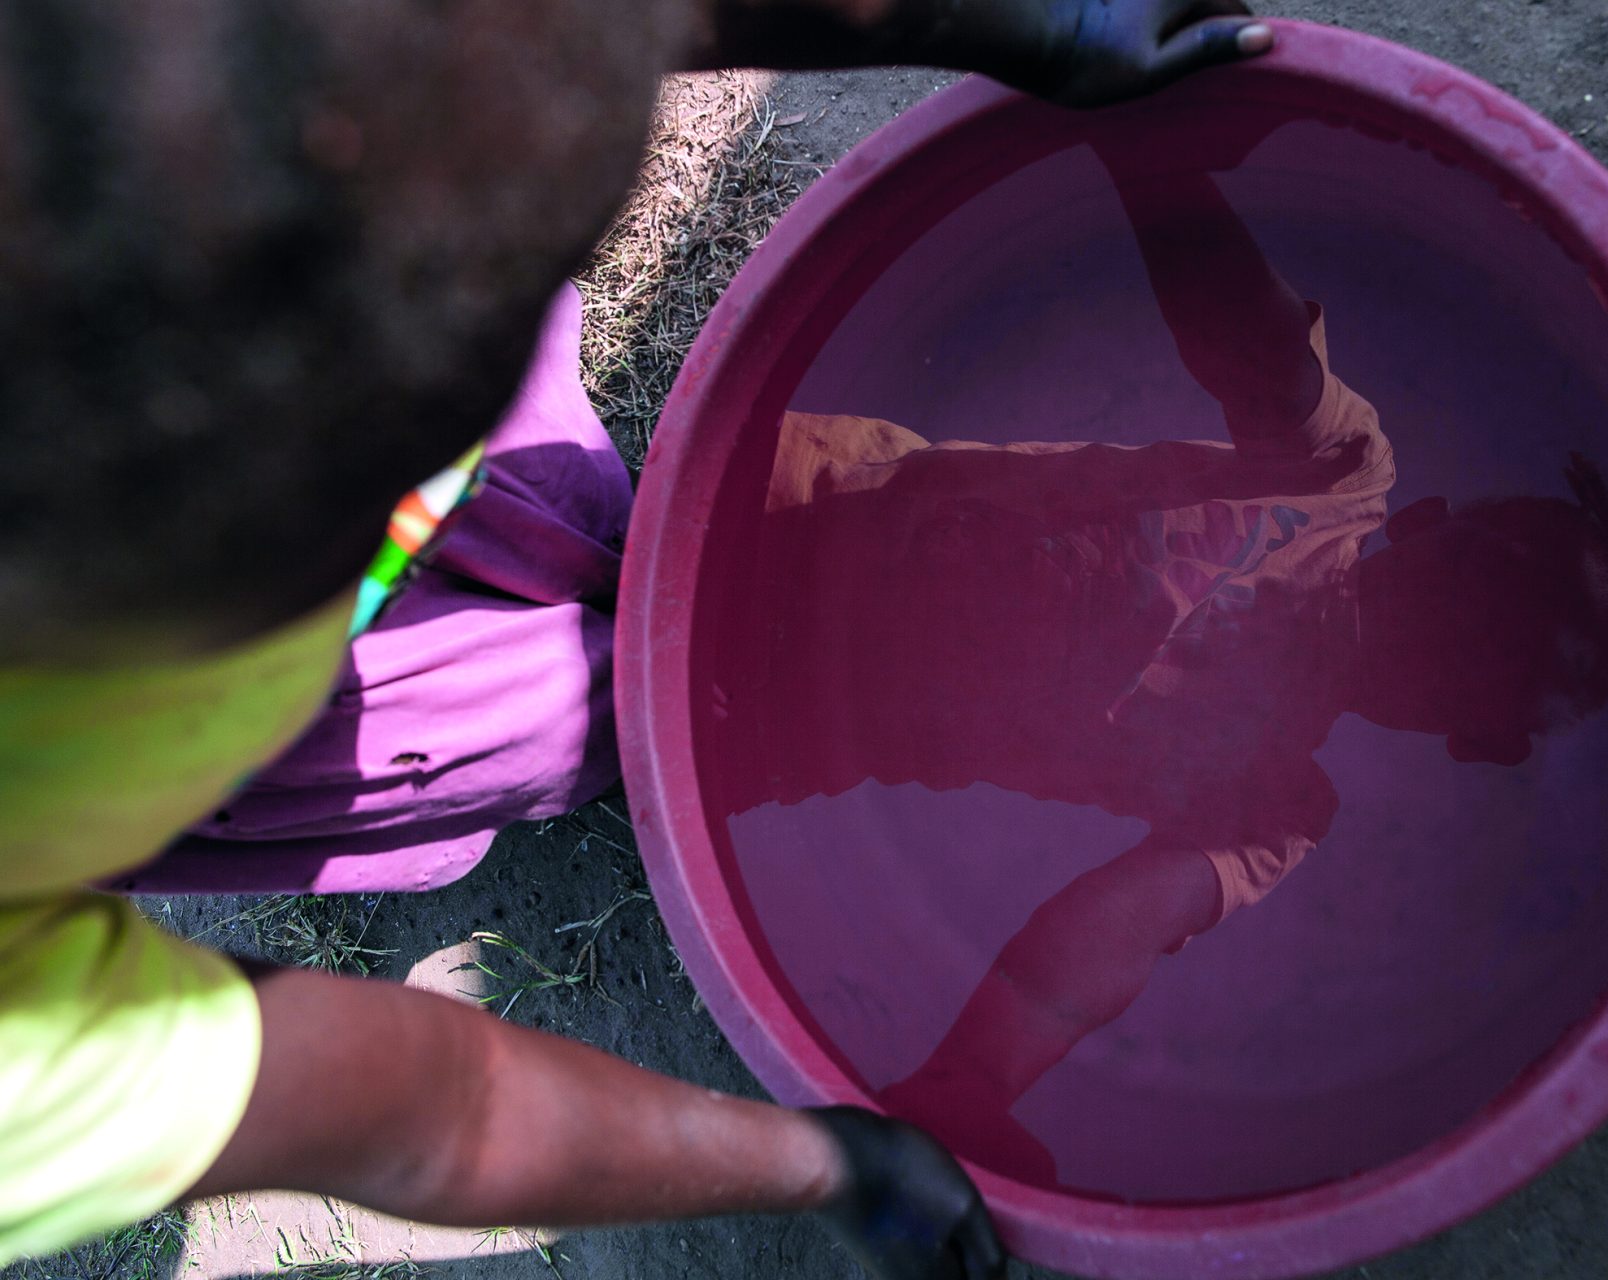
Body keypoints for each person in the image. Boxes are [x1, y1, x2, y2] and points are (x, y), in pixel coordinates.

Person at [0, 0, 1279, 1273]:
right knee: (570, 729)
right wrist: (838, 1161)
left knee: (571, 511)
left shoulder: (141, 135)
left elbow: (489, 40)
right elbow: (446, 1112)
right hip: (327, 719)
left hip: (352, 486)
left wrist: (1005, 23)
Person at [710, 145, 1608, 1183]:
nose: (1468, 625)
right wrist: (1149, 153)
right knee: (567, 521)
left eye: (1501, 656)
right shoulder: (1341, 472)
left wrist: (972, 1076)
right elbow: (1249, 340)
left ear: (1477, 736)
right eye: (1489, 575)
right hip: (802, 496)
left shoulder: (1277, 807)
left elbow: (1103, 939)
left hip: (777, 719)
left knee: (572, 718)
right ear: (1428, 523)